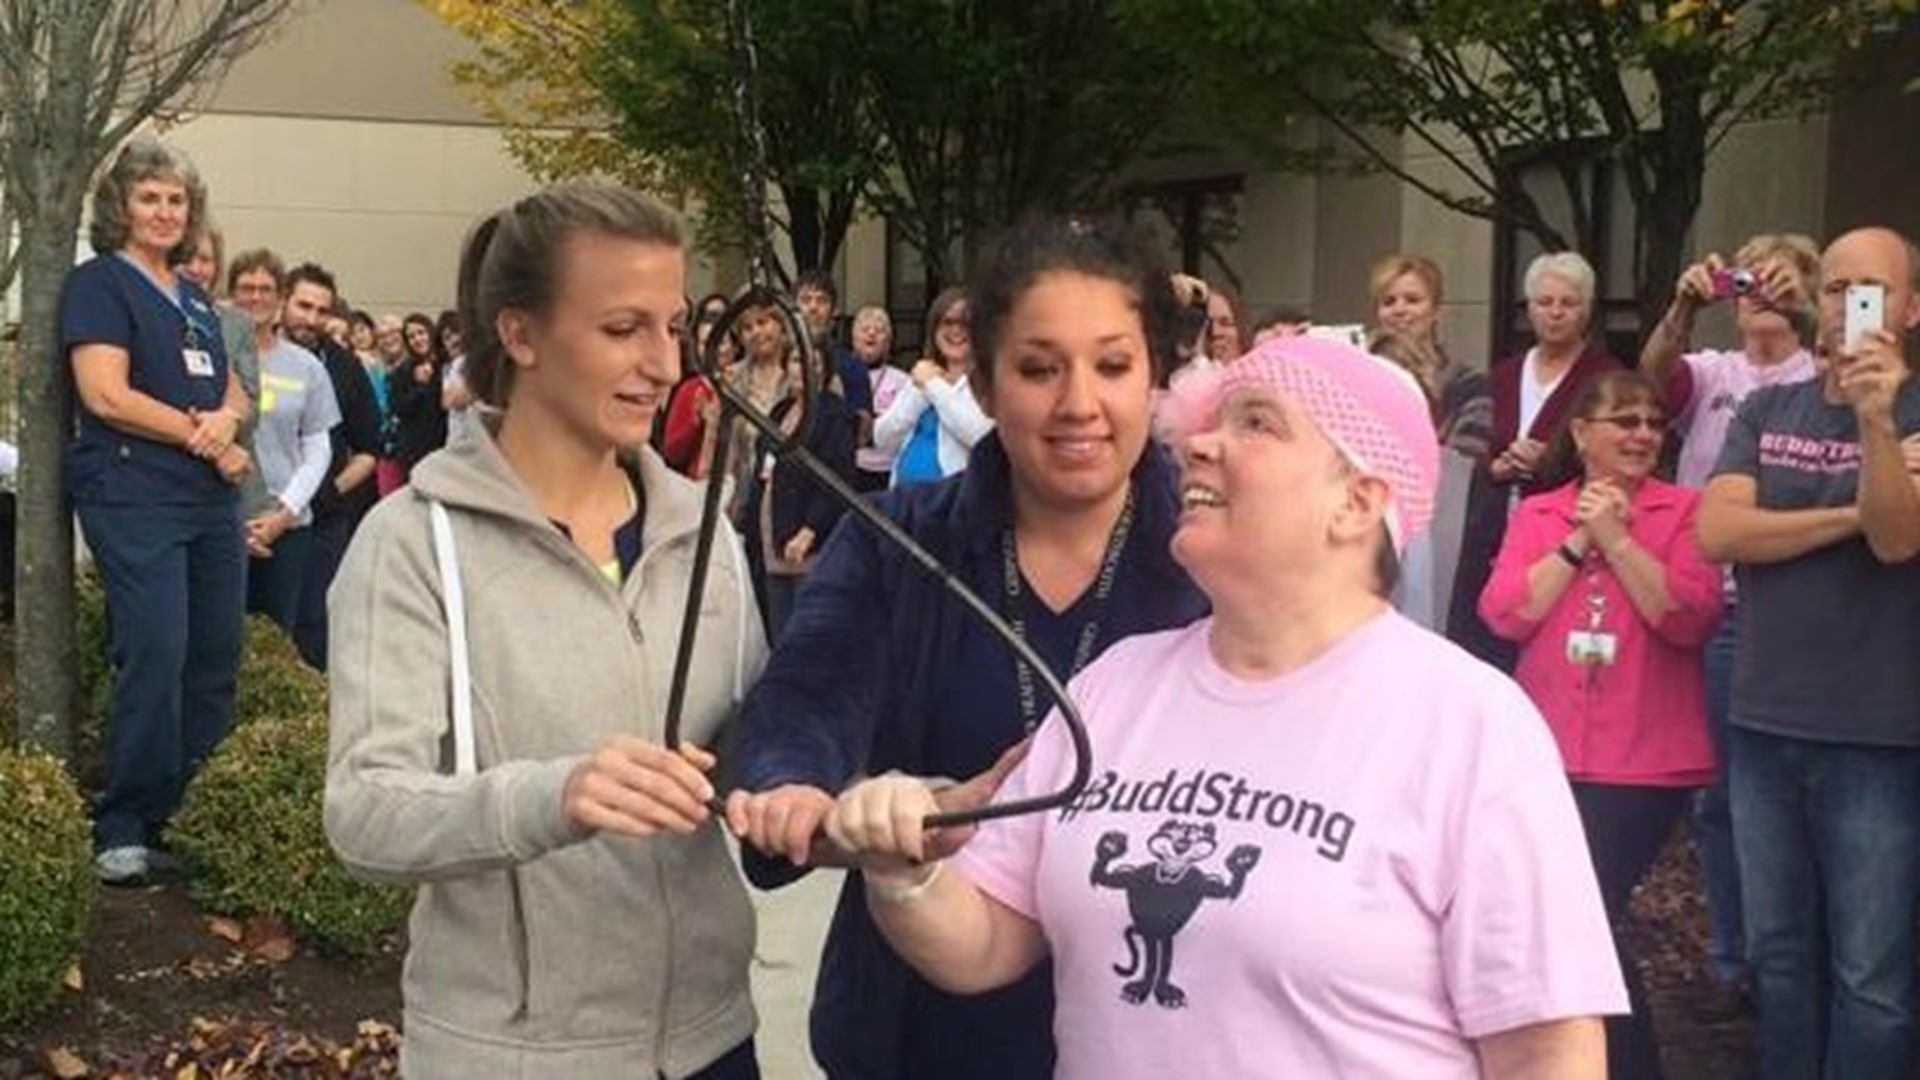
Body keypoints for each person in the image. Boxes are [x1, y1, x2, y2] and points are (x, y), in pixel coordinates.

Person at [822, 336, 1626, 1079]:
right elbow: (987, 941)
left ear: (1355, 502)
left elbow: (1546, 1048)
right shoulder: (1114, 686)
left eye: (1256, 423)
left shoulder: (1469, 722)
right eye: (1206, 423)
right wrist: (903, 874)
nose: (1199, 443)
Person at [725, 217, 1211, 1080]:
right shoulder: (900, 539)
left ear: (1155, 378)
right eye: (1037, 367)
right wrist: (796, 785)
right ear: (981, 383)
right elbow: (807, 687)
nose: (1078, 404)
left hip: (1164, 1024)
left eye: (1112, 365)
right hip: (924, 1022)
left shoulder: (1214, 560)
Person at [325, 183, 768, 1080]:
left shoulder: (704, 532)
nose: (663, 363)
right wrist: (555, 796)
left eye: (672, 327)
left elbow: (755, 752)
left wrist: (841, 802)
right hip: (516, 1056)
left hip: (715, 1042)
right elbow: (364, 810)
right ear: (519, 335)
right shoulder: (412, 542)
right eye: (621, 329)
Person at [1697, 226, 1920, 1080]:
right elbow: (1721, 532)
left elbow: (1899, 542)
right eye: (1834, 285)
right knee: (1779, 954)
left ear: (1906, 309)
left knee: (1872, 977)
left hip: (1878, 734)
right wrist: (1850, 513)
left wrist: (1875, 420)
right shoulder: (1766, 408)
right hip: (1764, 719)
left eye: (1869, 289)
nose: (1845, 303)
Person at [1480, 370, 1722, 1079]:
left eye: (1652, 422)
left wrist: (1617, 538)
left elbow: (1687, 618)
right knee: (1578, 924)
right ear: (1582, 434)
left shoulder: (1684, 510)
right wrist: (1577, 539)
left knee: (1582, 914)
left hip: (1644, 762)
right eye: (1625, 420)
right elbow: (1505, 615)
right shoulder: (1541, 512)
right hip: (1546, 754)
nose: (1644, 434)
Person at [61, 137, 252, 885]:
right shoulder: (100, 284)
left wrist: (229, 421)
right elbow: (105, 394)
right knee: (156, 651)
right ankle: (125, 821)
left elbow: (235, 385)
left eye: (176, 199)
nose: (166, 211)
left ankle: (193, 819)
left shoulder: (196, 297)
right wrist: (203, 436)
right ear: (122, 208)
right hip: (135, 494)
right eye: (150, 198)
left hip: (209, 502)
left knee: (214, 659)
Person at [1637, 232, 1819, 1015]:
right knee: (1718, 796)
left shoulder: (1820, 373)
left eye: (1777, 274)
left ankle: (1799, 953)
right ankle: (1733, 958)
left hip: (1798, 608)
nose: (1757, 287)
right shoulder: (1716, 372)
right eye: (1747, 272)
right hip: (1713, 605)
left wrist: (1809, 311)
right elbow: (1650, 380)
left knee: (1794, 790)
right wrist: (1682, 304)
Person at [1450, 252, 1621, 672]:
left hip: (1566, 529)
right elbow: (1470, 448)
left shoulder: (1604, 376)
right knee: (1484, 648)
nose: (1556, 313)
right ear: (1529, 309)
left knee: (1555, 653)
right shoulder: (1503, 373)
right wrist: (1495, 466)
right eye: (1545, 303)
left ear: (1587, 309)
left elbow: (1617, 454)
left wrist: (1554, 459)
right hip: (1492, 532)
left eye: (1568, 303)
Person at [226, 250, 338, 632]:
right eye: (246, 288)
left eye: (266, 289)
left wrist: (284, 513)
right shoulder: (211, 357)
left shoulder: (307, 367)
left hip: (286, 526)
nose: (255, 297)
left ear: (280, 297)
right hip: (223, 519)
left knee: (277, 640)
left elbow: (317, 448)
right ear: (230, 293)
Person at [284, 262, 381, 670]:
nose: (311, 318)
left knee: (313, 627)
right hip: (252, 517)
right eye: (303, 306)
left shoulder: (343, 366)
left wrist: (328, 492)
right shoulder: (249, 352)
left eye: (321, 310)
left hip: (321, 522)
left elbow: (369, 449)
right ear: (284, 301)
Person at [743, 345, 858, 639]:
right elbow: (763, 467)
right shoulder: (780, 410)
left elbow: (837, 478)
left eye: (813, 361)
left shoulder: (835, 414)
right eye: (796, 359)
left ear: (825, 371)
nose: (803, 367)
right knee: (776, 633)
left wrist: (810, 530)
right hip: (772, 539)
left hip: (807, 545)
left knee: (806, 636)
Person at [1370, 253, 1493, 458]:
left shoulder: (1470, 384)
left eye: (1412, 300)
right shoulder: (1356, 372)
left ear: (1436, 310)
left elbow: (1466, 457)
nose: (1399, 310)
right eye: (1389, 302)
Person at [873, 287, 992, 487]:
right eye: (947, 322)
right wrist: (919, 392)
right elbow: (883, 439)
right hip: (903, 503)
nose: (955, 331)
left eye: (965, 324)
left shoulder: (989, 381)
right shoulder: (922, 375)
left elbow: (980, 437)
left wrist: (933, 386)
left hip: (955, 507)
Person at [851, 305, 909, 492]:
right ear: (854, 338)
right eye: (865, 329)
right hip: (851, 467)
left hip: (887, 469)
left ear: (888, 342)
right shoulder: (841, 374)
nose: (871, 334)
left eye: (879, 330)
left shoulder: (903, 381)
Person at [390, 311, 449, 480]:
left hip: (445, 445)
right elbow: (398, 409)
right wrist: (420, 386)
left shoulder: (446, 364)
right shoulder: (403, 372)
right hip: (415, 450)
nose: (417, 339)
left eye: (421, 333)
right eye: (411, 337)